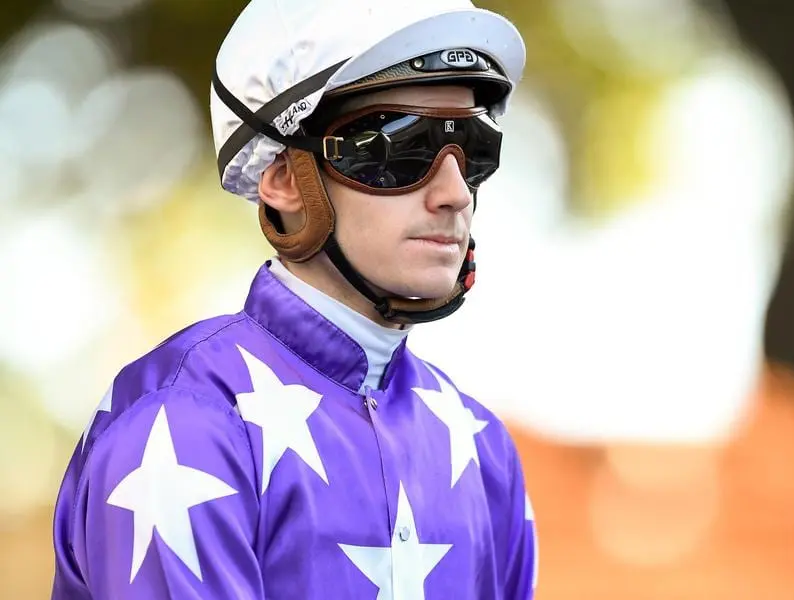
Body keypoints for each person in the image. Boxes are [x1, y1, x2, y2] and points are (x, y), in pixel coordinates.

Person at [51, 0, 538, 598]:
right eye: (401, 147)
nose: (454, 193)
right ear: (283, 179)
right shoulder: (182, 422)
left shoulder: (482, 444)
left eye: (474, 148)